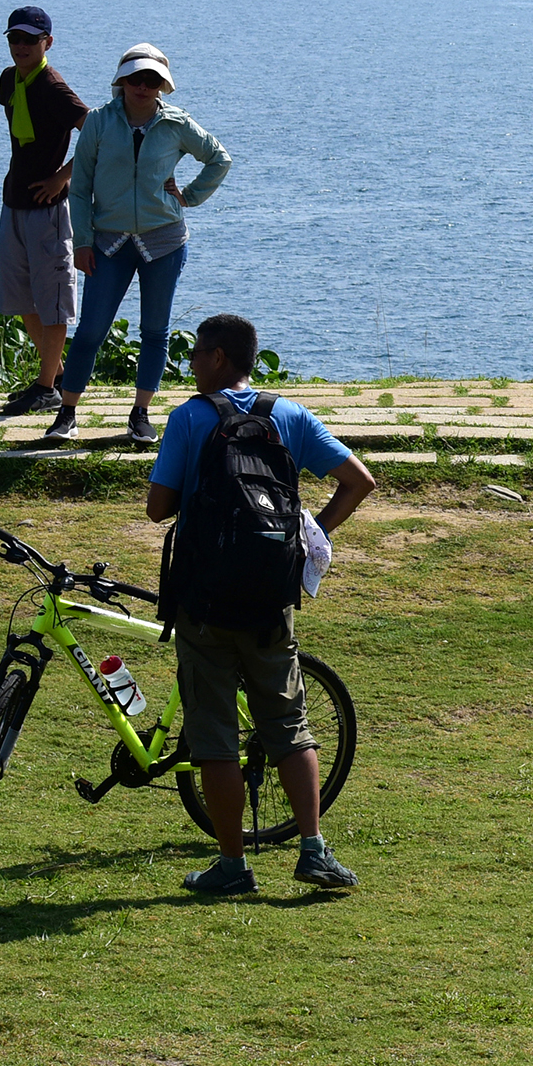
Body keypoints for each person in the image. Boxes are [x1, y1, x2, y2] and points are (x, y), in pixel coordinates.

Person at [145, 313, 374, 898]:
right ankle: (313, 852)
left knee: (215, 735)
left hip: (204, 601)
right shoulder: (289, 415)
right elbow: (359, 481)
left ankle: (232, 865)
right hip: (272, 600)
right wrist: (307, 539)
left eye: (197, 352)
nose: (191, 362)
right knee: (289, 724)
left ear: (220, 358)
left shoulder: (189, 419)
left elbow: (158, 508)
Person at [48, 43, 229, 447]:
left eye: (151, 80)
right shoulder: (98, 122)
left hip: (163, 239)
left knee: (155, 330)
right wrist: (83, 241)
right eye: (135, 78)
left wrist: (189, 196)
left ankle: (140, 414)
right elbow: (79, 189)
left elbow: (219, 158)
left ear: (163, 85)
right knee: (91, 329)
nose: (142, 86)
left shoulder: (177, 123)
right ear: (121, 81)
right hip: (108, 242)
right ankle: (67, 412)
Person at [0, 5, 89, 417]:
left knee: (51, 300)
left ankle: (46, 386)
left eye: (30, 40)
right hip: (14, 202)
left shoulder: (53, 87)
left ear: (47, 42)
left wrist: (62, 178)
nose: (21, 46)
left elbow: (95, 133)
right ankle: (56, 375)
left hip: (47, 209)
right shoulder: (9, 79)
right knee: (22, 298)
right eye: (15, 39)